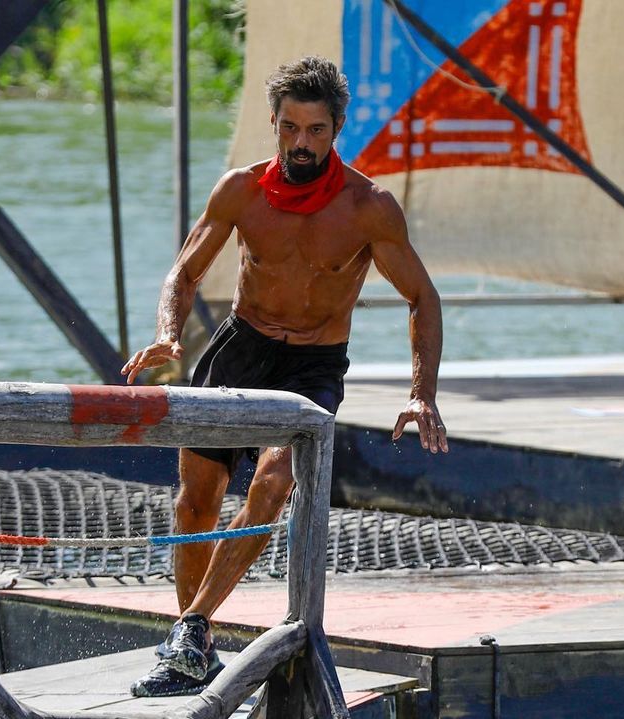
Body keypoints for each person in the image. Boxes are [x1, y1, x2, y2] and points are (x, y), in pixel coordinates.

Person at [121, 56, 447, 697]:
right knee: (196, 500)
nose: (302, 142)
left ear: (337, 130)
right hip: (240, 349)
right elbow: (185, 272)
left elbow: (422, 297)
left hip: (313, 365)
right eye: (290, 127)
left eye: (316, 130)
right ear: (273, 123)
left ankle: (189, 629)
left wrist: (422, 393)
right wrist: (168, 333)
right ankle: (194, 653)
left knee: (272, 486)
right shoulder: (240, 190)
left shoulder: (369, 207)